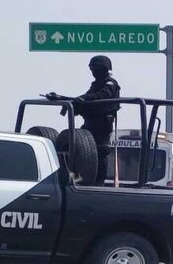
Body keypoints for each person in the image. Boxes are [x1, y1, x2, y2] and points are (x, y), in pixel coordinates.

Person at [45, 55, 120, 186]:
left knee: (99, 153)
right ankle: (77, 180)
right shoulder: (96, 84)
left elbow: (101, 96)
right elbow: (88, 98)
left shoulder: (110, 84)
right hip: (90, 123)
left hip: (102, 125)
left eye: (95, 68)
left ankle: (97, 183)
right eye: (91, 68)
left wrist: (84, 99)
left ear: (104, 69)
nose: (93, 71)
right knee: (78, 153)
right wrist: (66, 99)